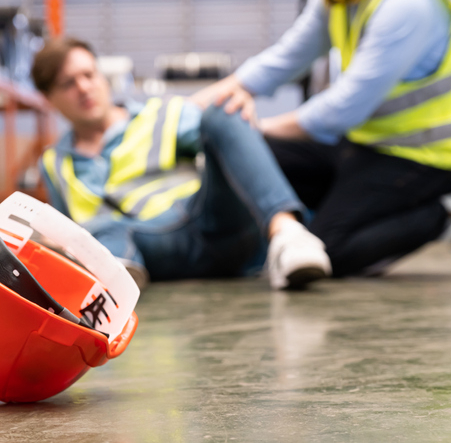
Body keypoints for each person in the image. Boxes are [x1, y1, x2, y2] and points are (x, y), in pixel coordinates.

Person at [192, 0, 451, 277]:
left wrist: (250, 130)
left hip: (430, 157)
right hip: (368, 143)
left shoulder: (408, 7)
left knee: (326, 253)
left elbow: (341, 110)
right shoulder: (336, 3)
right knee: (255, 160)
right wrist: (188, 109)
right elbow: (282, 61)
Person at [31, 37, 331, 290]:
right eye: (69, 83)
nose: (84, 88)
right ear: (49, 98)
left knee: (225, 109)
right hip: (145, 249)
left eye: (89, 75)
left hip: (209, 218)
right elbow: (65, 232)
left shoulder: (162, 114)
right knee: (102, 230)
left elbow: (226, 134)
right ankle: (116, 286)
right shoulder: (54, 164)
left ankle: (287, 235)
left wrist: (238, 118)